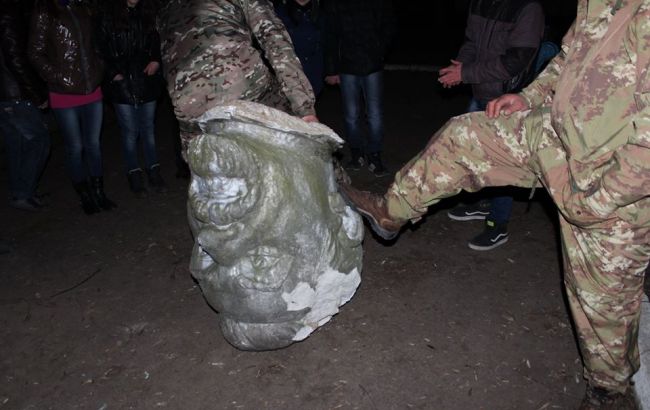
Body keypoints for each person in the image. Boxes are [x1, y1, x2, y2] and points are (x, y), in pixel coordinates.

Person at [339, 0, 648, 407]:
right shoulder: (598, 3)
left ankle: (609, 391)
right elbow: (567, 60)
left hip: (613, 181)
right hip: (556, 135)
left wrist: (598, 201)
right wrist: (529, 97)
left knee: (600, 301)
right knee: (465, 136)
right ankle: (391, 211)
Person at [439, 0, 545, 251]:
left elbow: (515, 61)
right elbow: (471, 42)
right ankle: (485, 202)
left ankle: (498, 224)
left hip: (508, 97)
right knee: (476, 155)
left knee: (501, 161)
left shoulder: (528, 8)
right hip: (481, 91)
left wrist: (466, 73)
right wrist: (461, 67)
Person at [158, 0, 318, 154]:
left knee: (210, 166)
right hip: (242, 82)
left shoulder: (166, 8)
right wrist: (304, 108)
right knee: (305, 144)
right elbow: (276, 42)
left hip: (186, 102)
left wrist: (189, 146)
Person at [28, 0, 116, 215]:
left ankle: (99, 192)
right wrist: (59, 77)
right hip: (63, 93)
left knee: (93, 144)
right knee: (75, 148)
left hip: (92, 89)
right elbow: (35, 52)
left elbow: (95, 44)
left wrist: (99, 68)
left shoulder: (83, 8)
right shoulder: (45, 11)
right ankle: (84, 195)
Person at [97, 0, 167, 195]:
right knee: (130, 131)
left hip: (147, 79)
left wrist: (156, 60)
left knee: (148, 129)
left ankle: (154, 171)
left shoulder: (149, 14)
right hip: (122, 82)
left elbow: (159, 41)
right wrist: (114, 74)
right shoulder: (107, 17)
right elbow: (100, 49)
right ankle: (134, 174)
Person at [323, 0, 396, 177]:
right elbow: (330, 35)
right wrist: (331, 69)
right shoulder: (336, 4)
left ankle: (375, 155)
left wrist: (379, 50)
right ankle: (356, 154)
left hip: (373, 65)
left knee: (375, 114)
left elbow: (389, 25)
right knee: (351, 115)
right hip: (347, 66)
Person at [0, 0, 51, 212]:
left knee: (17, 145)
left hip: (5, 95)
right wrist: (35, 94)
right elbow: (16, 59)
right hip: (15, 94)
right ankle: (23, 192)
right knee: (39, 140)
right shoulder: (7, 15)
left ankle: (21, 191)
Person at [274, 0, 325, 97]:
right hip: (289, 71)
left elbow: (328, 41)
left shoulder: (320, 13)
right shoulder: (279, 13)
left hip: (314, 71)